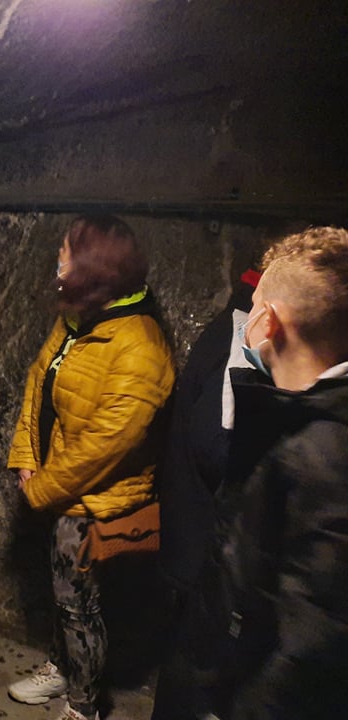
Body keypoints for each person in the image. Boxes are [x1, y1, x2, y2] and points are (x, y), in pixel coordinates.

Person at [6, 216, 175, 720]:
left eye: (65, 253)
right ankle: (62, 668)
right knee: (65, 599)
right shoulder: (78, 315)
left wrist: (42, 488)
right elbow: (39, 382)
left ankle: (84, 706)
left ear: (92, 265)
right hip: (60, 485)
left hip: (94, 501)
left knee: (79, 606)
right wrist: (26, 456)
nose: (57, 261)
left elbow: (106, 445)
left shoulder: (140, 345)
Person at [210, 227, 348, 718]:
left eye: (253, 306)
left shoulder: (322, 452)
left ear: (267, 321)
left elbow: (313, 637)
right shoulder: (301, 418)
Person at [150, 262, 262, 719]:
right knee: (191, 679)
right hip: (204, 547)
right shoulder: (242, 338)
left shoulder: (235, 327)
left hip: (198, 544)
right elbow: (214, 446)